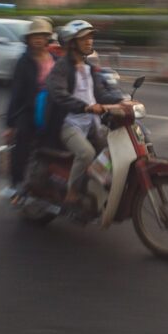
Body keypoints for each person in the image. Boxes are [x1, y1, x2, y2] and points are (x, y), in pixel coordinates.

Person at [45, 19, 124, 210]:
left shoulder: (89, 67)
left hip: (91, 123)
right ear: (72, 43)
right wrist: (85, 107)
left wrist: (122, 99)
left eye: (91, 38)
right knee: (86, 153)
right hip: (68, 124)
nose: (89, 42)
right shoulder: (61, 68)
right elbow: (59, 94)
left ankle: (95, 182)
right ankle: (72, 191)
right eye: (84, 38)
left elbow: (101, 94)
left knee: (116, 147)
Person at [1, 17, 56, 199]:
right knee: (22, 143)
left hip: (53, 109)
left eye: (42, 36)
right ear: (29, 39)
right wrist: (10, 124)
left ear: (48, 38)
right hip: (30, 109)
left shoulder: (55, 59)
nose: (39, 39)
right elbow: (16, 93)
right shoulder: (23, 62)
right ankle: (16, 184)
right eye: (35, 36)